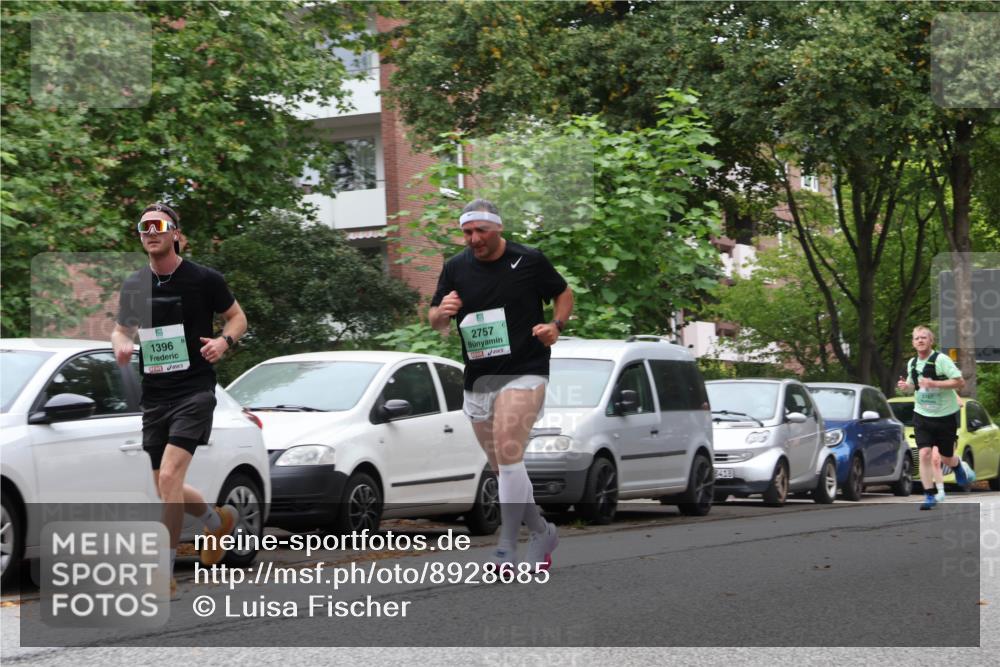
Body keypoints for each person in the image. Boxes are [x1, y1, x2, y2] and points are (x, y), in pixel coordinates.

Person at [429, 199, 574, 573]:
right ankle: (542, 531)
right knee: (503, 468)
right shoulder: (456, 267)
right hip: (479, 377)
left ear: (498, 229)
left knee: (509, 454)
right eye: (467, 232)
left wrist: (554, 327)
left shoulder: (529, 260)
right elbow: (434, 319)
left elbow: (563, 293)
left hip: (526, 369)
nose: (474, 239)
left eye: (481, 231)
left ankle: (506, 548)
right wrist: (440, 313)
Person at [111, 202, 248, 598]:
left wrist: (224, 342)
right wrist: (121, 345)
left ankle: (164, 572)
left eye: (159, 225)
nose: (150, 232)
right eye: (143, 227)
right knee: (164, 487)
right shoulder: (136, 285)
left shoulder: (205, 279)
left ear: (175, 233)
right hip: (155, 394)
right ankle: (217, 519)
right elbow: (121, 331)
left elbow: (237, 318)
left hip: (194, 390)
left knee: (170, 477)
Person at [896, 325, 975, 510]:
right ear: (913, 343)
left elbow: (959, 382)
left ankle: (957, 467)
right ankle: (929, 495)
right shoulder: (912, 363)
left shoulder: (941, 360)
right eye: (917, 338)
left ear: (931, 341)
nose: (920, 340)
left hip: (945, 416)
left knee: (947, 457)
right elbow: (912, 385)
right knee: (924, 454)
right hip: (922, 416)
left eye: (924, 337)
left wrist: (934, 383)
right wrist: (905, 387)